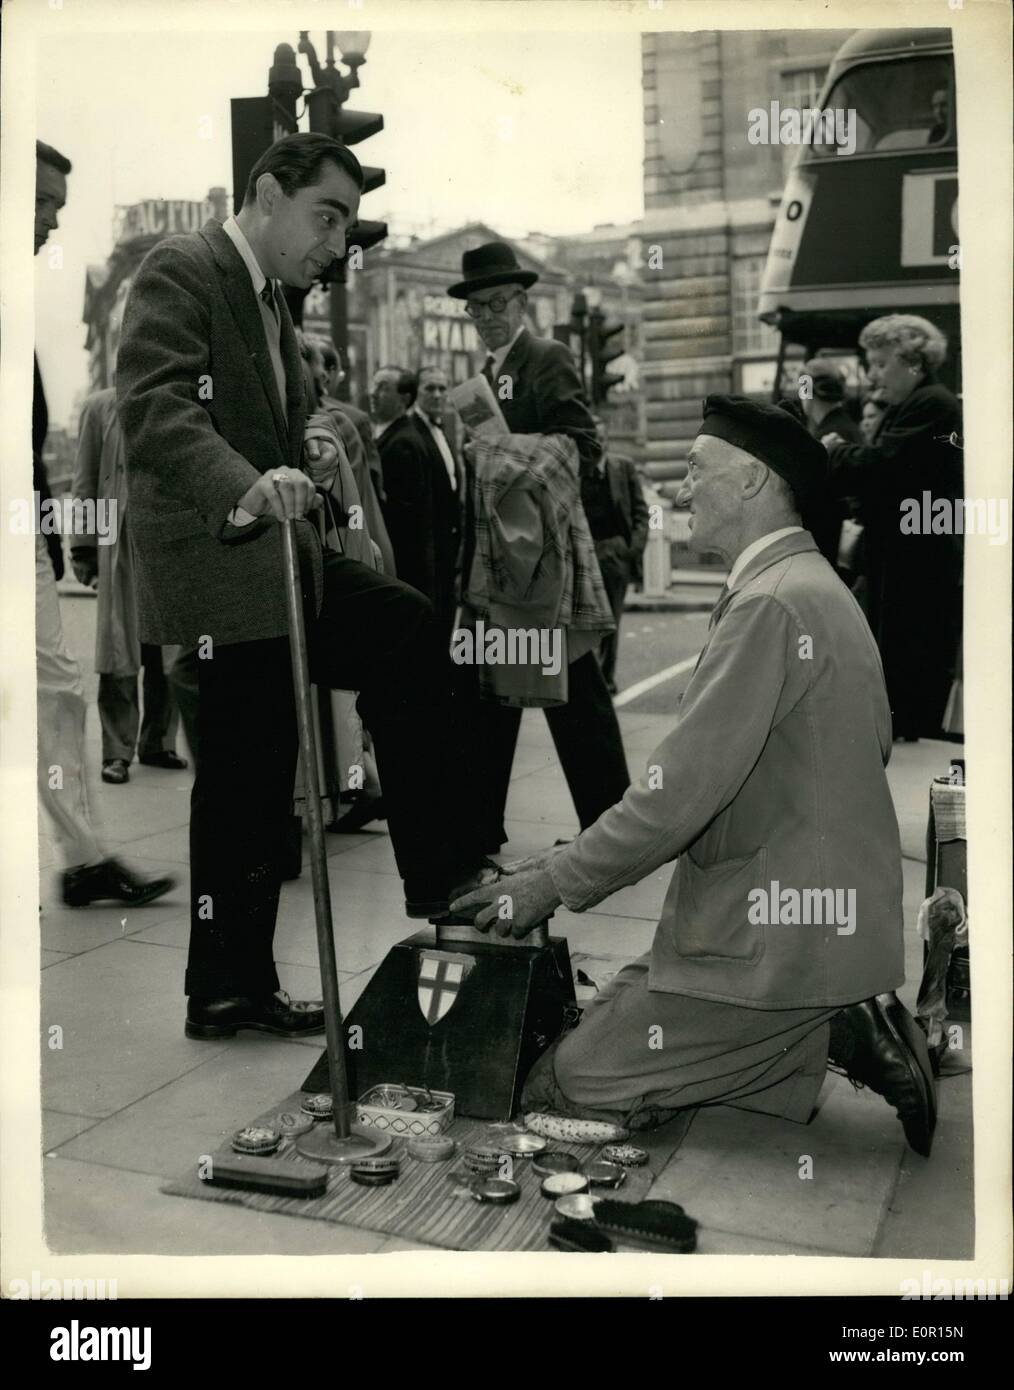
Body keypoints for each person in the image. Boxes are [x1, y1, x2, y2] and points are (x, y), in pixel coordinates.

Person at [454, 394, 937, 1159]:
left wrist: (548, 884)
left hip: (775, 934)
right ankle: (821, 1017)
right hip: (797, 916)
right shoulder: (804, 584)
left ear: (750, 483)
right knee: (613, 1003)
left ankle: (825, 1020)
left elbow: (674, 797)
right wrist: (555, 862)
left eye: (693, 471)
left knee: (564, 1083)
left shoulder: (771, 605)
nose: (680, 493)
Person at [116, 132, 497, 1041]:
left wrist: (306, 462)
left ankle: (252, 974)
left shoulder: (273, 304)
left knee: (393, 639)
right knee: (248, 780)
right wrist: (243, 483)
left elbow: (261, 423)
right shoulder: (186, 267)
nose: (338, 242)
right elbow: (154, 406)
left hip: (278, 562)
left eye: (349, 225)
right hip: (224, 563)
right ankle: (232, 982)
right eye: (327, 216)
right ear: (267, 194)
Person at [447, 242, 630, 851]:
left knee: (574, 691)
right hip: (500, 556)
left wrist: (498, 455)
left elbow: (581, 445)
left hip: (545, 553)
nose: (489, 315)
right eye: (477, 308)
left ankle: (610, 825)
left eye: (499, 302)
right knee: (490, 695)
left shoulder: (547, 357)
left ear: (523, 301)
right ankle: (478, 825)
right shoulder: (477, 380)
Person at [33, 141, 175, 908]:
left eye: (59, 205)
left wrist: (50, 541)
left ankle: (86, 854)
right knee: (84, 676)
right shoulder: (98, 407)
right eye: (41, 201)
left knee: (61, 687)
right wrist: (83, 541)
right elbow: (82, 472)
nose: (53, 220)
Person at [821, 314, 963, 741]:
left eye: (882, 363)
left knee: (907, 641)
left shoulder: (931, 404)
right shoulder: (913, 405)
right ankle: (898, 720)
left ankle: (903, 722)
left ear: (914, 363)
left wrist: (833, 452)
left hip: (916, 553)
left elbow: (882, 466)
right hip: (905, 548)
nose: (873, 373)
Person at [70, 387, 186, 784]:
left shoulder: (173, 396)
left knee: (167, 647)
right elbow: (85, 482)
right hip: (119, 542)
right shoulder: (101, 406)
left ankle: (158, 741)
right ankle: (117, 750)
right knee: (119, 648)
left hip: (168, 539)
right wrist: (84, 549)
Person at [584, 415, 649, 694]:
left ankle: (605, 680)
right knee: (589, 621)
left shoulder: (623, 467)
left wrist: (632, 549)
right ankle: (593, 679)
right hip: (586, 553)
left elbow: (640, 512)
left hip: (614, 553)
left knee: (610, 621)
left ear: (607, 439)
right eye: (592, 438)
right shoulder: (578, 472)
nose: (597, 443)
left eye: (601, 437)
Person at [404, 364, 464, 633]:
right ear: (417, 392)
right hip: (426, 550)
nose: (438, 395)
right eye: (430, 388)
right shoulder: (412, 433)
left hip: (447, 548)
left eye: (443, 388)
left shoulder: (445, 430)